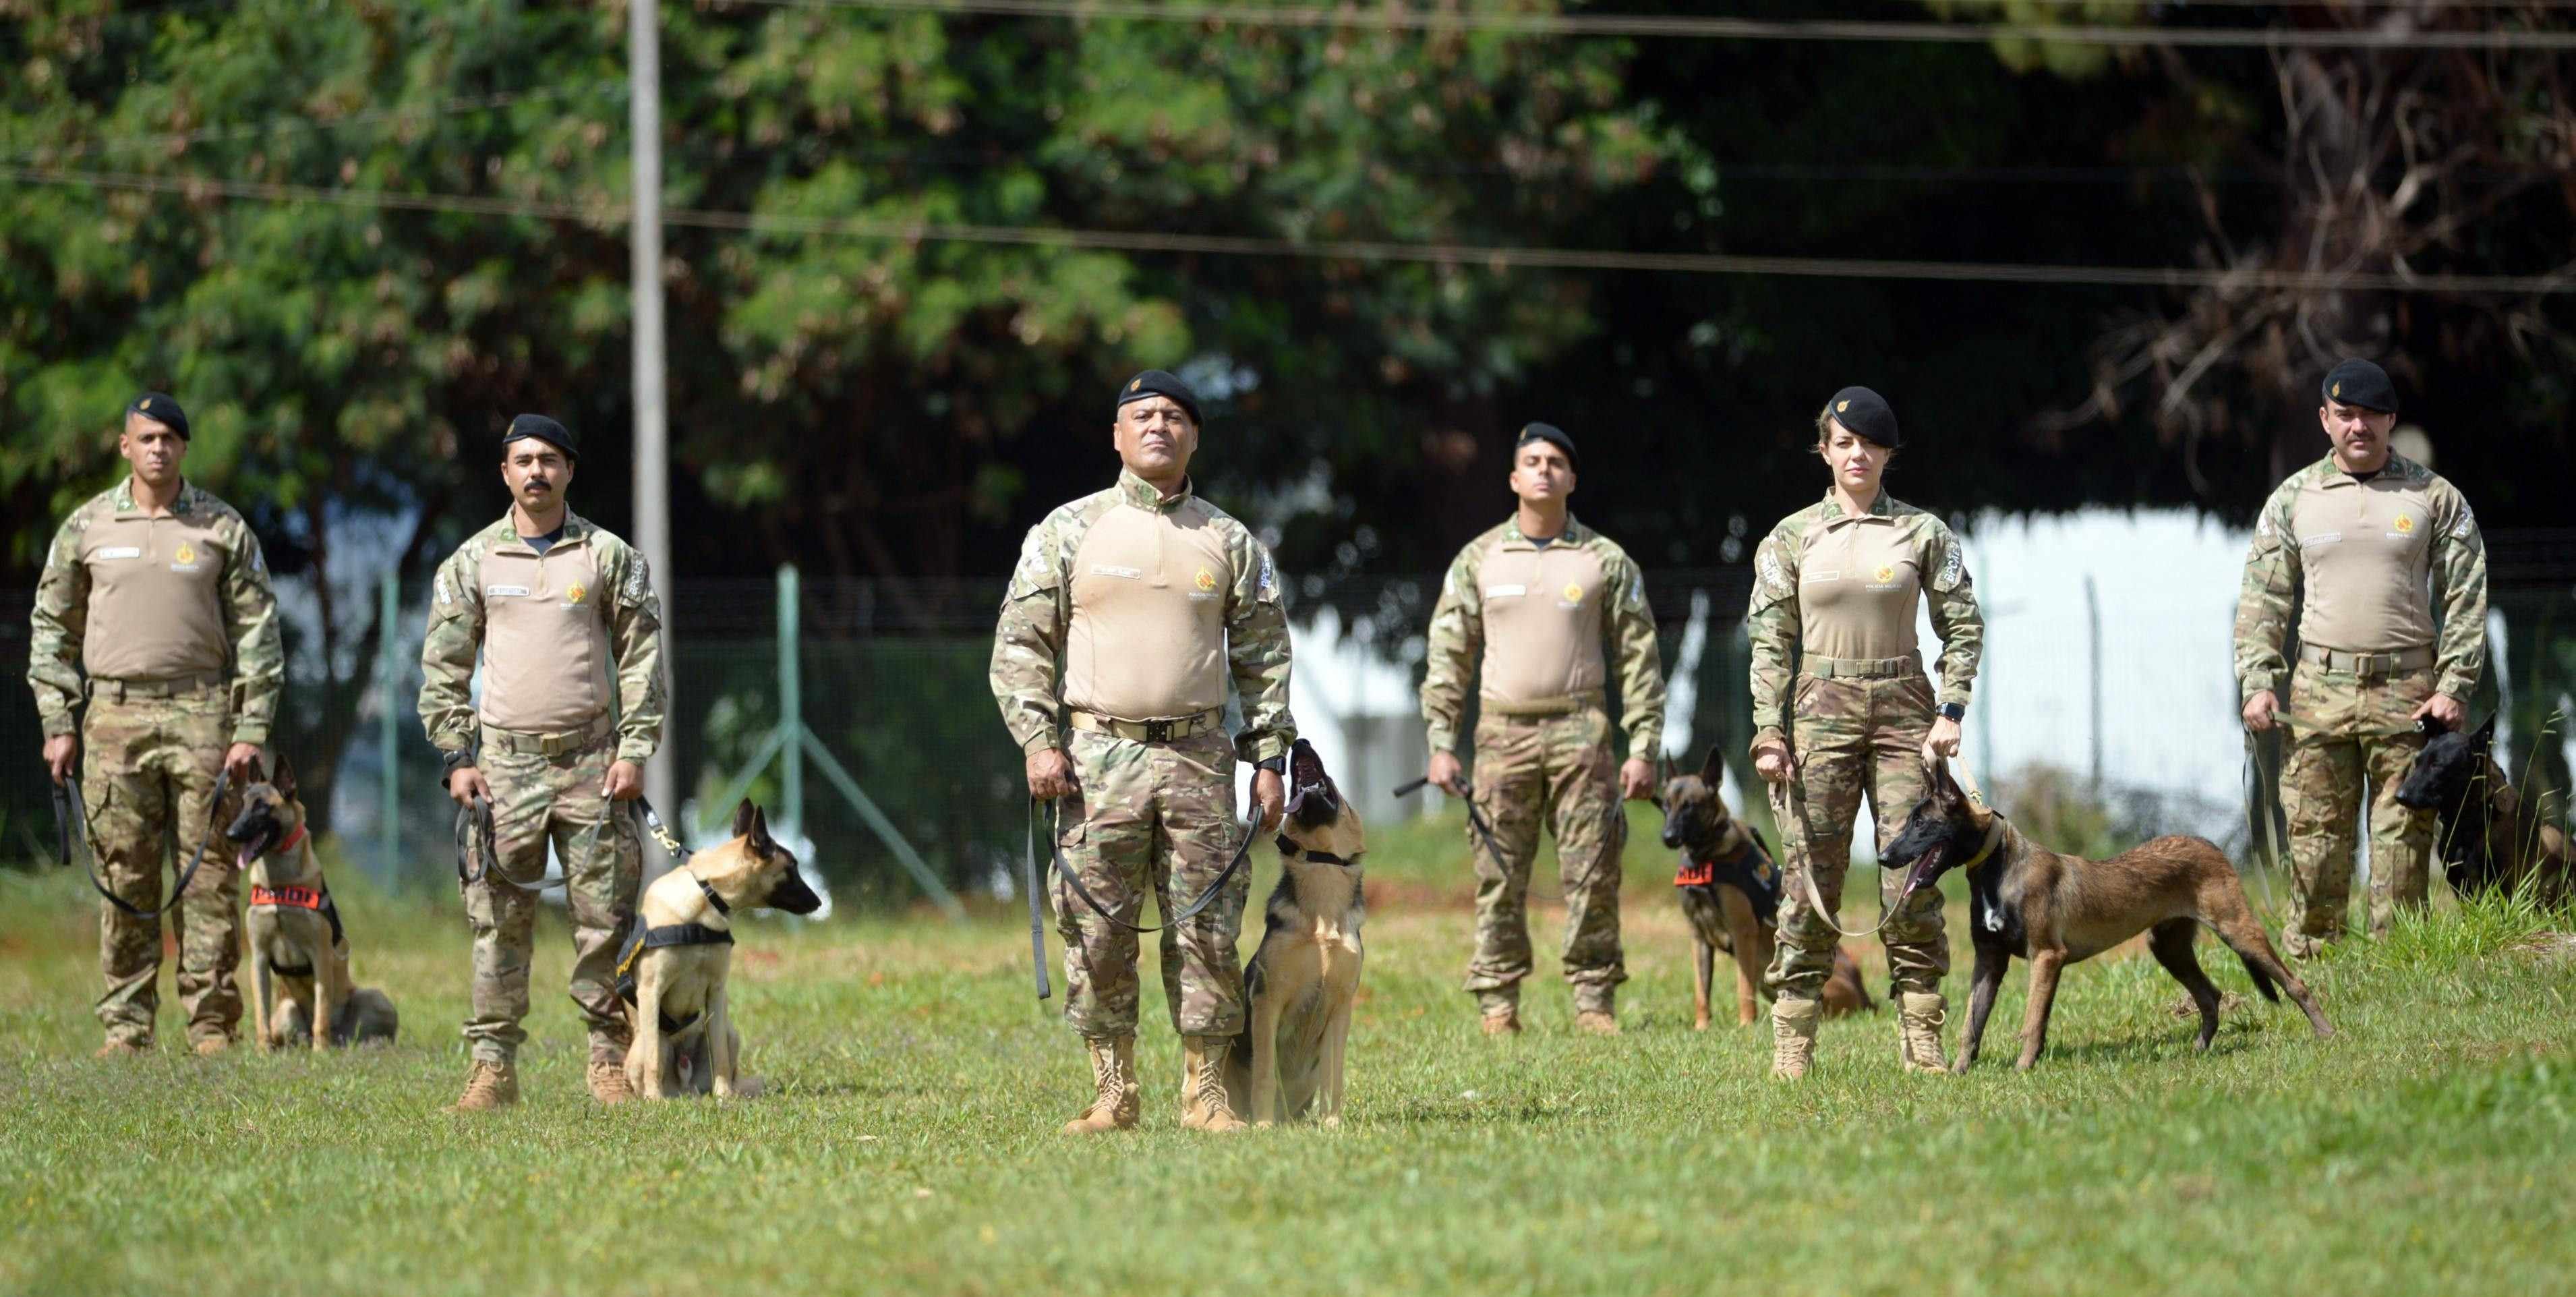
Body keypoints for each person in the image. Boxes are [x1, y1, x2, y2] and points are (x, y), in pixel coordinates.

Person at [991, 369, 1295, 1134]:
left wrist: (1268, 759)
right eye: (1141, 415)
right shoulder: (1067, 531)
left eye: (1174, 416)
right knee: (1096, 931)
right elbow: (1020, 646)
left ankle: (1206, 1094)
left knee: (1209, 931)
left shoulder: (1229, 541)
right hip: (1095, 759)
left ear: (1194, 434)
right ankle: (1112, 1092)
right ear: (1117, 435)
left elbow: (1264, 659)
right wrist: (1038, 743)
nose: (1158, 425)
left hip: (1199, 759)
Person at [419, 413, 666, 1109]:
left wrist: (635, 748)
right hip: (502, 771)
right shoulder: (472, 562)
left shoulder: (609, 556)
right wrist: (456, 758)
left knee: (603, 919)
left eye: (549, 460)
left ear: (568, 471)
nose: (536, 471)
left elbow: (641, 657)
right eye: (523, 460)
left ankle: (611, 1061)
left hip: (593, 764)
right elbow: (442, 668)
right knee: (497, 921)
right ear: (505, 472)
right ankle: (492, 1067)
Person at [28, 393, 282, 1057]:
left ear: (184, 448)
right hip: (113, 716)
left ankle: (211, 1026)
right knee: (125, 876)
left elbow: (257, 630)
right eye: (147, 438)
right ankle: (127, 1027)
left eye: (170, 438)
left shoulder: (221, 528)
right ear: (125, 447)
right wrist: (59, 721)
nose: (159, 449)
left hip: (203, 714)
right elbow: (51, 627)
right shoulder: (86, 527)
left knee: (209, 878)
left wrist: (250, 725)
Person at [1747, 387, 1982, 1078]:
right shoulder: (1791, 537)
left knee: (1912, 878)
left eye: (1869, 443)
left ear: (1887, 454)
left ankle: (1922, 1035)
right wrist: (1768, 730)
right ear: (1824, 450)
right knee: (1807, 879)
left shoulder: (1923, 533)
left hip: (1906, 711)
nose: (1857, 454)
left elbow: (1963, 626)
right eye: (1843, 442)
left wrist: (1952, 710)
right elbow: (1769, 642)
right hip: (1818, 712)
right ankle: (1793, 1039)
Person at [1419, 423, 1664, 1037]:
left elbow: (1639, 657)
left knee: (1593, 871)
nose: (1544, 470)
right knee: (1499, 872)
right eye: (1532, 460)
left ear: (1572, 479)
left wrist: (1644, 747)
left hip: (1583, 732)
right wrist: (1442, 743)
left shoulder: (1605, 560)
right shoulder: (1478, 559)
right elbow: (1448, 656)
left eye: (1556, 461)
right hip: (1502, 735)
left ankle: (1593, 1001)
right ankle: (1498, 1004)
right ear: (1513, 478)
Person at [2236, 357, 2485, 956]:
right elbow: (2263, 597)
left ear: (2391, 420)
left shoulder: (2434, 497)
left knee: (2402, 840)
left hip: (2409, 694)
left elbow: (2466, 592)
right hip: (2319, 693)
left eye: (2371, 415)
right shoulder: (2293, 499)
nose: (2359, 426)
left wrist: (2454, 684)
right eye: (2345, 414)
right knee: (2316, 839)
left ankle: (2397, 968)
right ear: (2325, 420)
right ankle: (2314, 965)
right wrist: (2258, 680)